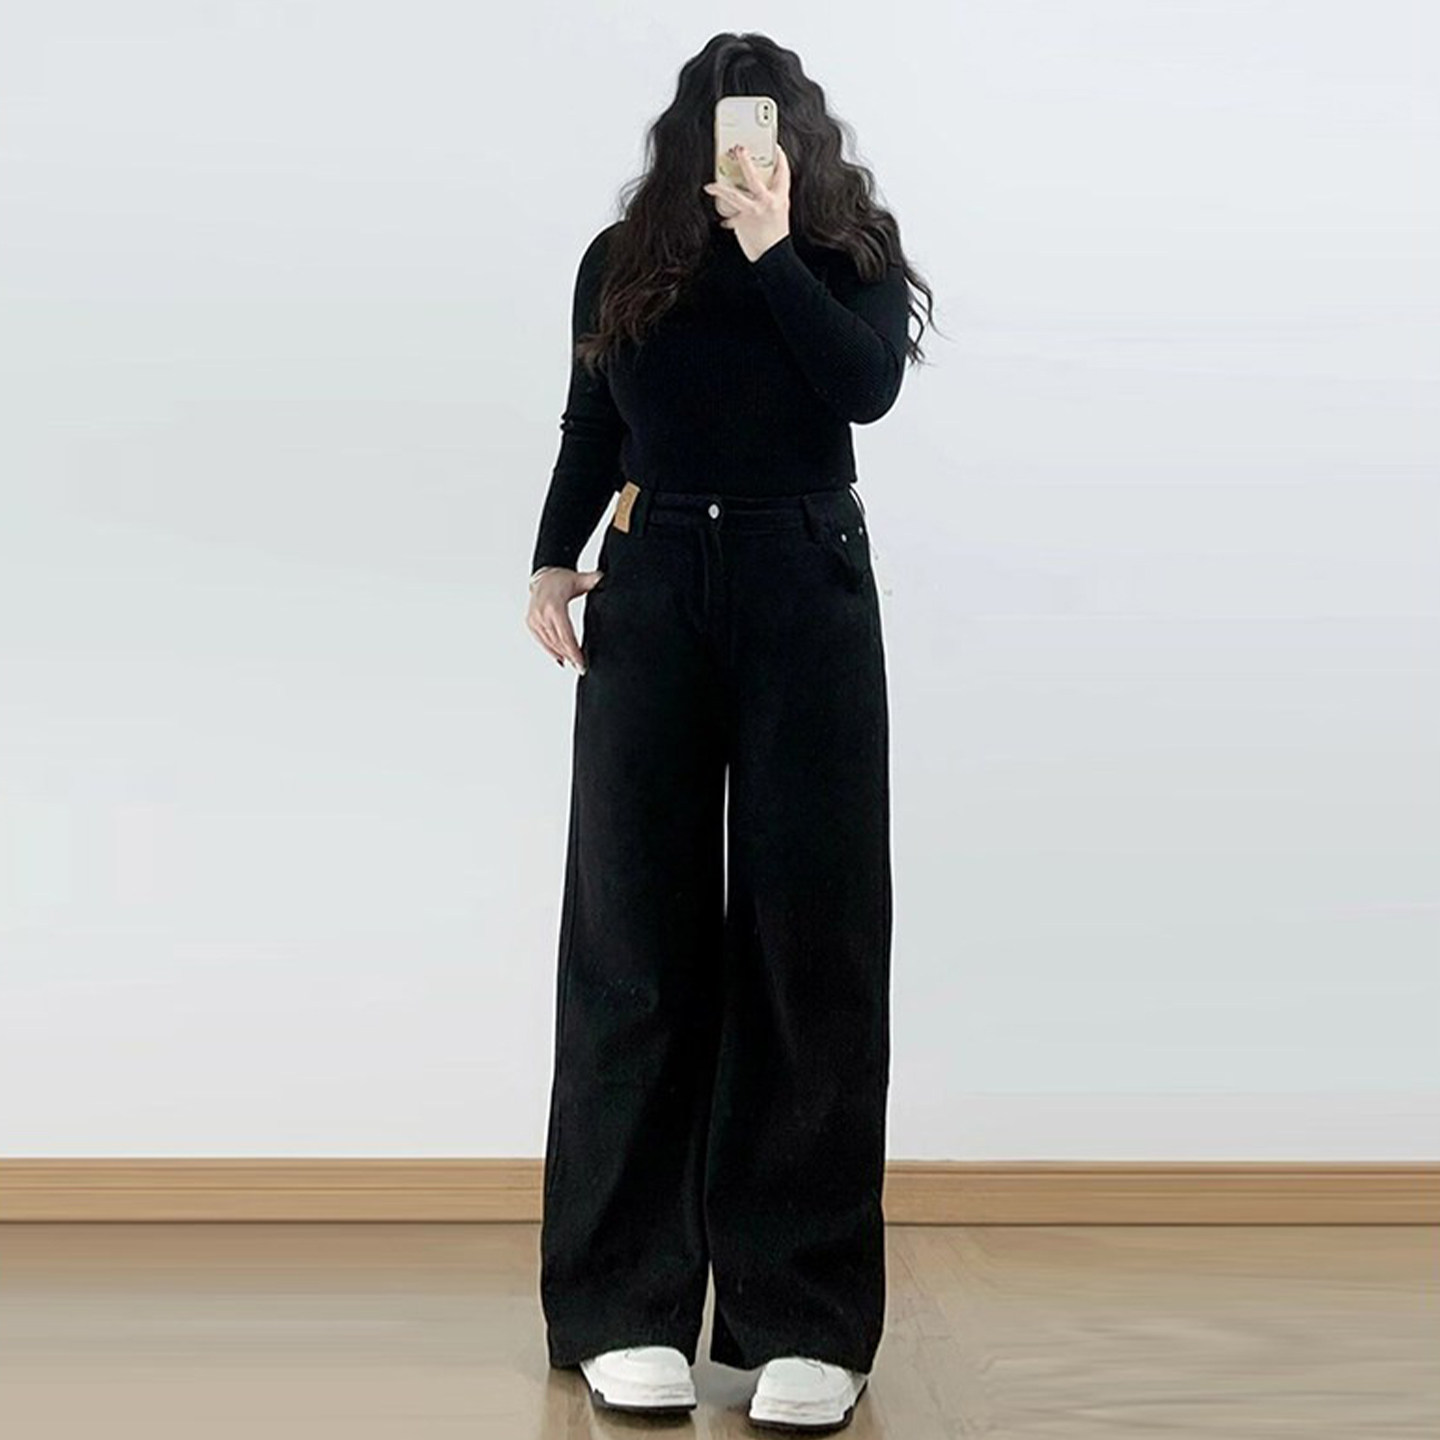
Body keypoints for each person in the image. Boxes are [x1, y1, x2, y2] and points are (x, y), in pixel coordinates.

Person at [524, 33, 931, 1433]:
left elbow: (861, 391)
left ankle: (804, 1316)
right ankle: (622, 1306)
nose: (739, 142)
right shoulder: (623, 260)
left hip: (806, 583)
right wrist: (550, 561)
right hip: (650, 589)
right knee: (633, 936)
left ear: (795, 136)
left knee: (810, 939)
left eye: (760, 122)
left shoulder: (848, 254)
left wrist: (771, 250)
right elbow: (592, 424)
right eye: (719, 120)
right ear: (687, 135)